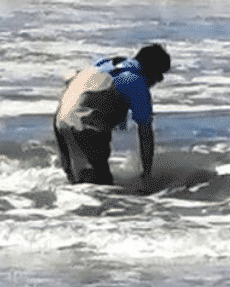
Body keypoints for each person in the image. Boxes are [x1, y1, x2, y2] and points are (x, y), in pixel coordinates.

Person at [53, 43, 171, 186]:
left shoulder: (106, 64)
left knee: (76, 179)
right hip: (84, 123)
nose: (160, 79)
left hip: (61, 117)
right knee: (100, 184)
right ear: (151, 68)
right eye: (160, 74)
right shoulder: (135, 82)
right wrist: (147, 174)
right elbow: (145, 132)